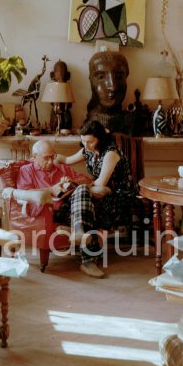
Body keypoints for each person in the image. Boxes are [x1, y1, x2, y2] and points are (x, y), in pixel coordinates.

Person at [56, 119, 139, 279]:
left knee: (82, 195)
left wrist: (78, 186)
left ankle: (79, 233)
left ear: (100, 138)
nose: (85, 146)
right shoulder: (87, 149)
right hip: (100, 190)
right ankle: (86, 253)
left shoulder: (111, 153)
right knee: (79, 198)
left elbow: (101, 184)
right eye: (83, 141)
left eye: (90, 141)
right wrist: (52, 158)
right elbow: (66, 160)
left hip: (120, 192)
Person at [86, 51, 130, 132]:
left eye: (119, 76)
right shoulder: (91, 125)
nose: (113, 87)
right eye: (101, 77)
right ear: (91, 81)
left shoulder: (130, 122)